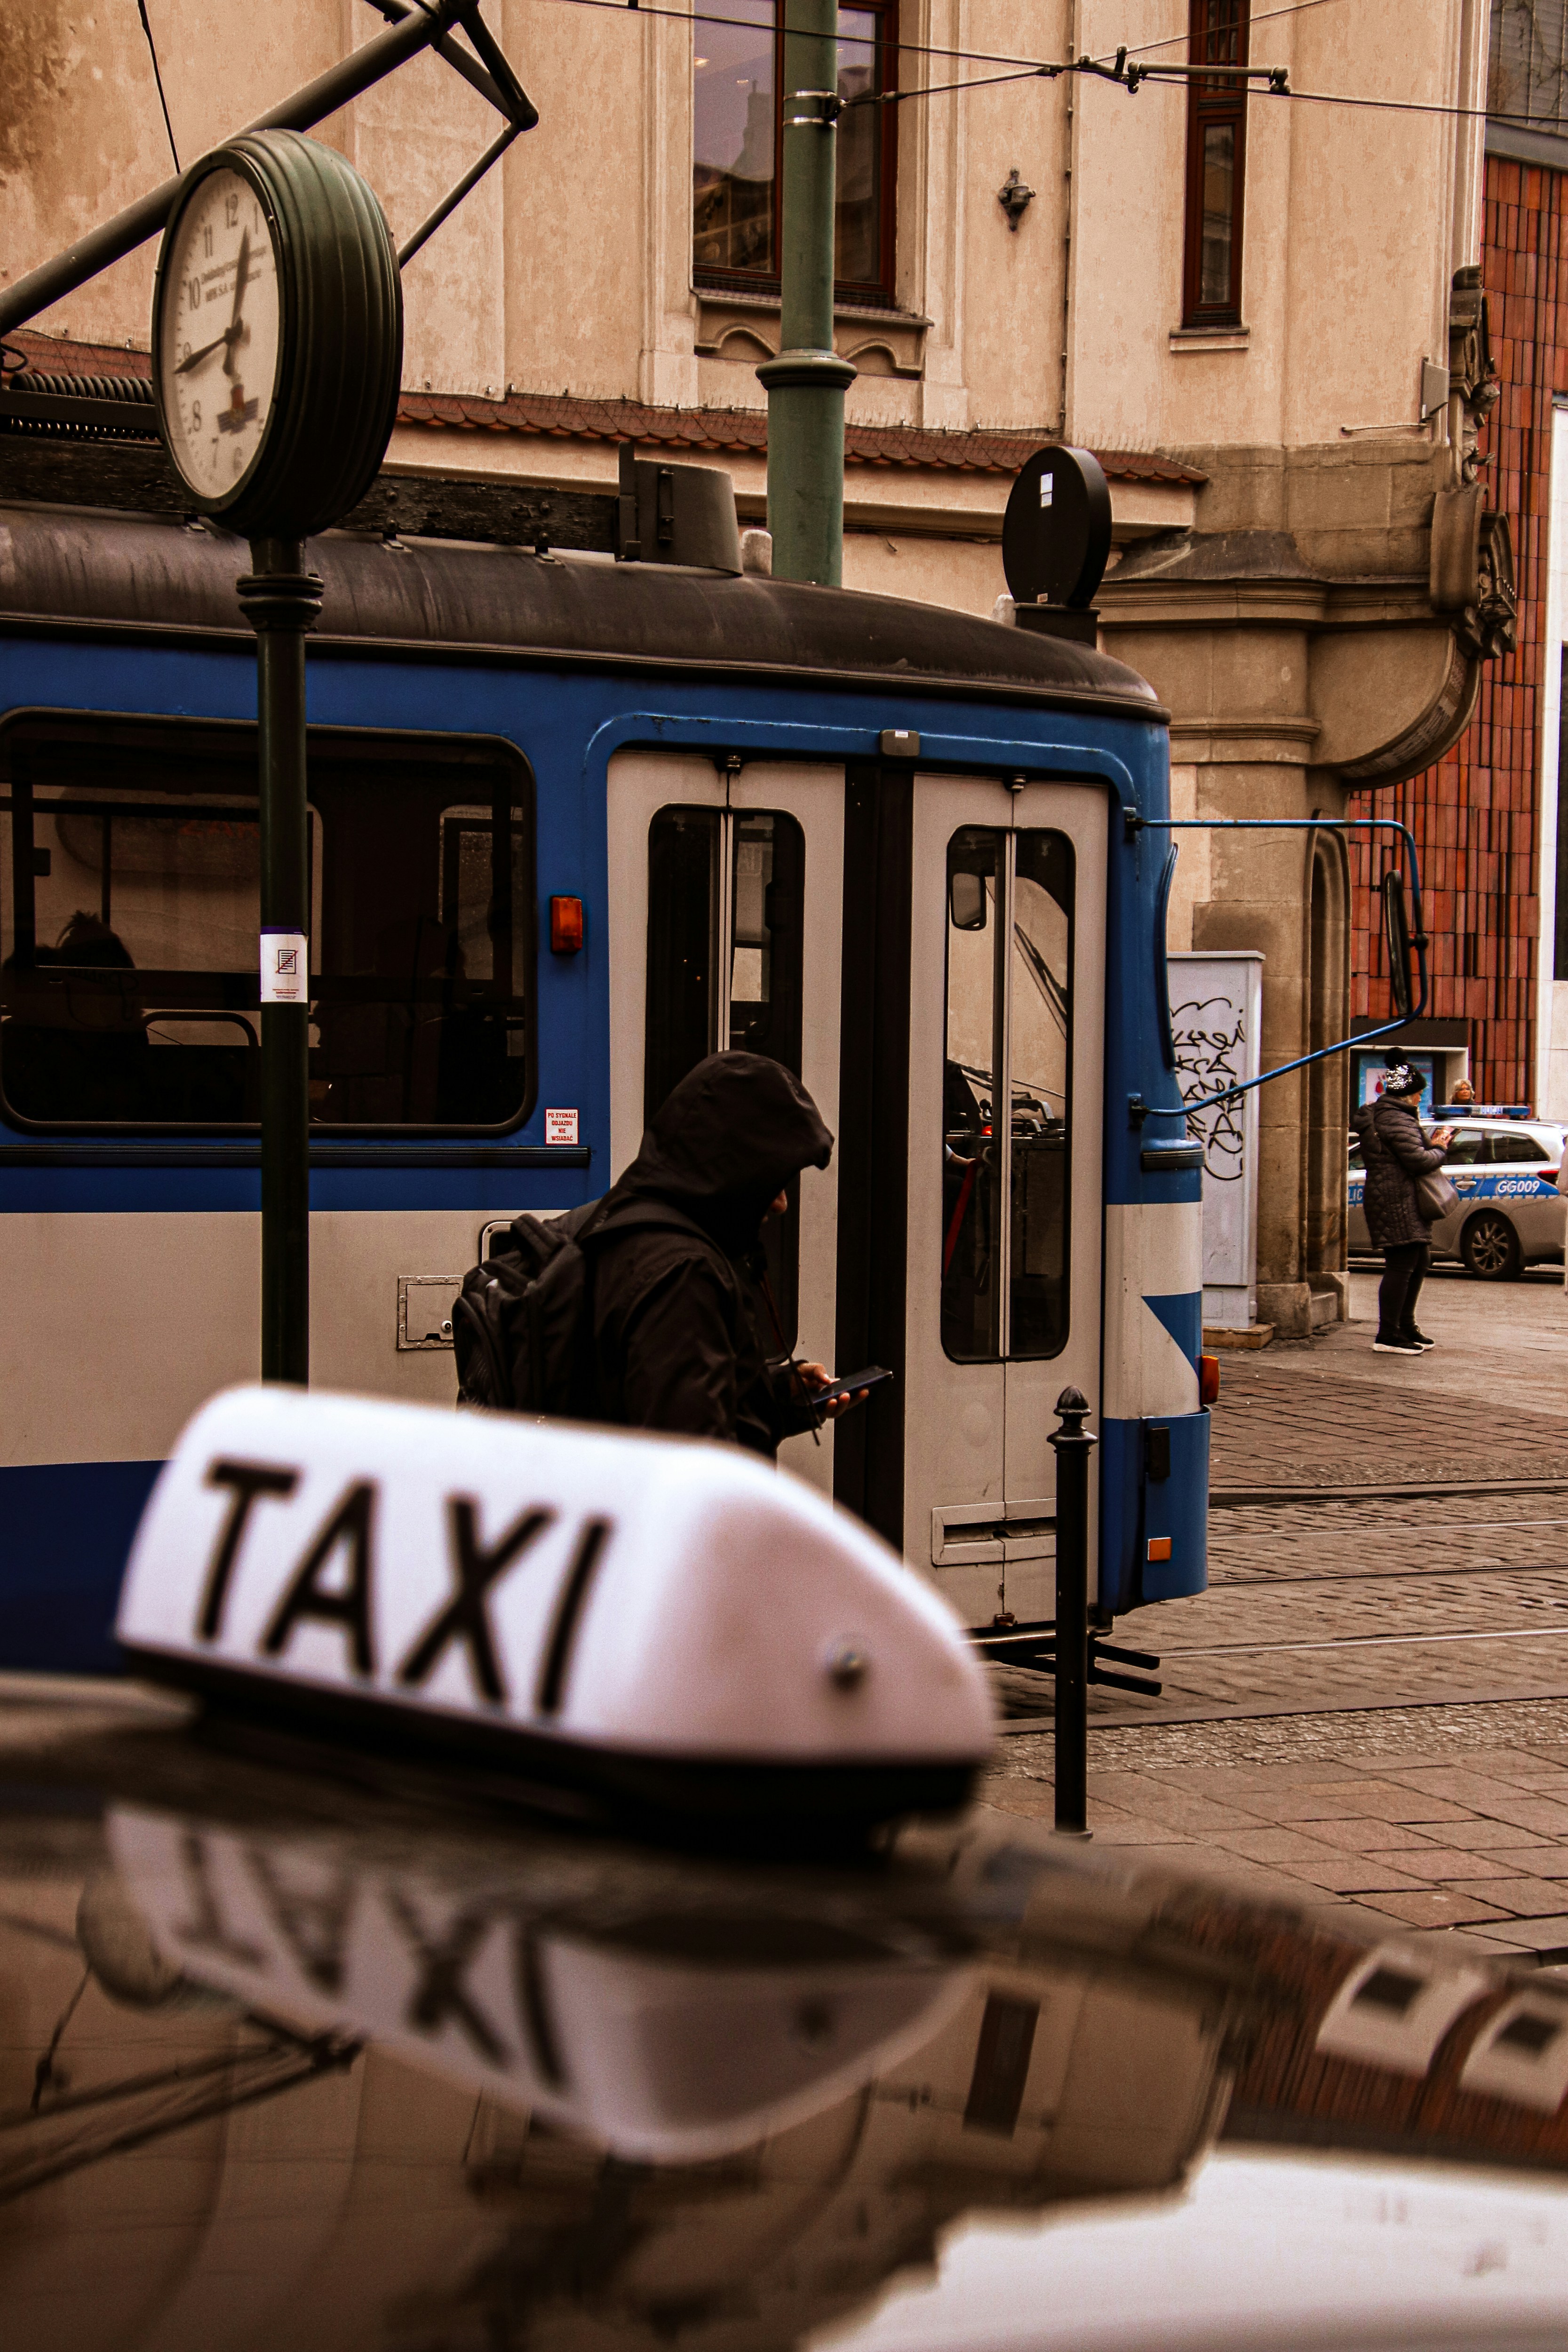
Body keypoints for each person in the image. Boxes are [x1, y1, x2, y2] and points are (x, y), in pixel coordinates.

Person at [583, 1050, 862, 1457]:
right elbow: (696, 1463)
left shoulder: (625, 1225)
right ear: (734, 1170)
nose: (782, 1203)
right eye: (772, 1180)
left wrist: (778, 1393)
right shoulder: (683, 1274)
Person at [1351, 1061, 1452, 1355]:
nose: (1421, 1098)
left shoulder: (1398, 1116)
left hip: (1399, 1197)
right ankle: (1388, 1333)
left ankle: (1405, 1325)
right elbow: (1418, 1160)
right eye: (1419, 1093)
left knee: (1419, 1260)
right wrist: (1441, 1147)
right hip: (1395, 1199)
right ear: (1407, 1093)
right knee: (1402, 1264)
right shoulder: (1396, 1119)